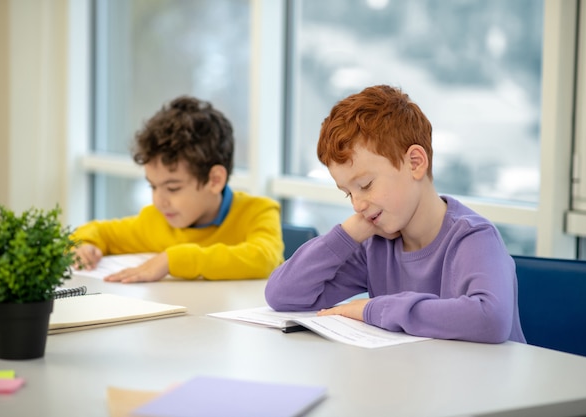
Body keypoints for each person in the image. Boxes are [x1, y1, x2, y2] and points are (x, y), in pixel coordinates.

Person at [265, 85, 526, 344]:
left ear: (415, 163)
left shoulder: (473, 238)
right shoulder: (375, 245)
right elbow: (283, 295)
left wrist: (372, 309)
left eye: (365, 185)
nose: (357, 205)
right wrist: (348, 233)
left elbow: (490, 320)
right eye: (348, 193)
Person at [71, 96, 283, 283]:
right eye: (153, 186)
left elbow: (264, 258)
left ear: (215, 180)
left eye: (172, 188)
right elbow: (100, 231)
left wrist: (173, 259)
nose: (158, 201)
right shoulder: (157, 220)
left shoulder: (258, 212)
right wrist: (85, 245)